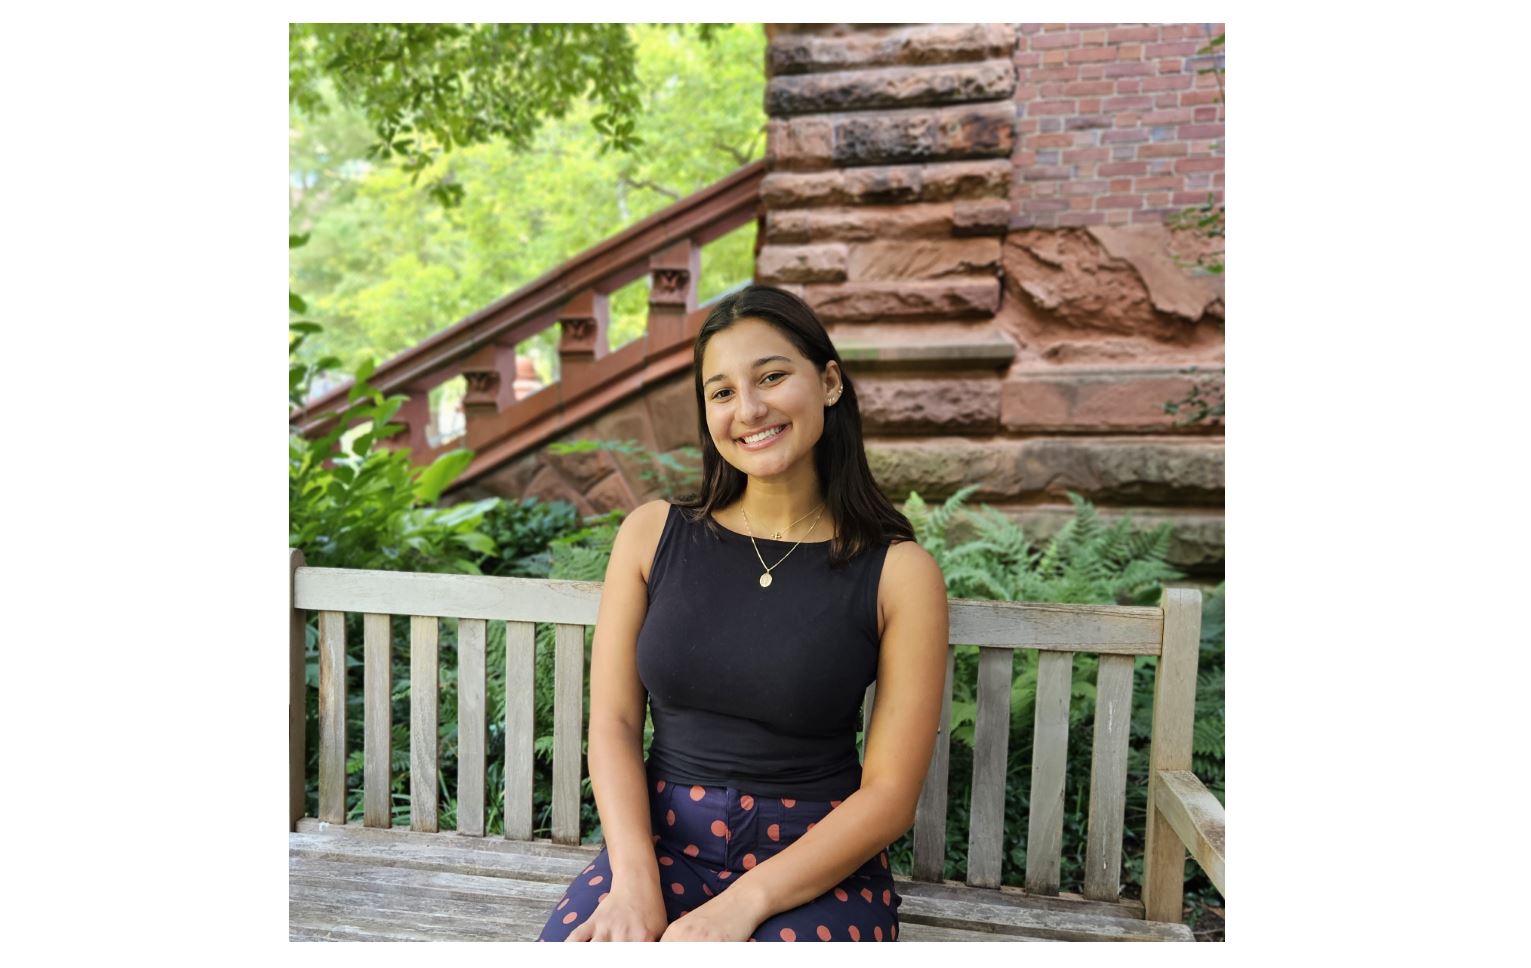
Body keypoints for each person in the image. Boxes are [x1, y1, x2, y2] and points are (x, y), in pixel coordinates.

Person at [536, 285, 949, 942]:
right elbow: (613, 723)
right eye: (721, 392)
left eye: (771, 376)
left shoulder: (897, 573)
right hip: (658, 847)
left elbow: (890, 795)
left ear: (829, 382)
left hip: (816, 865)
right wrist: (633, 882)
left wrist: (741, 905)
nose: (748, 408)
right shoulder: (651, 535)